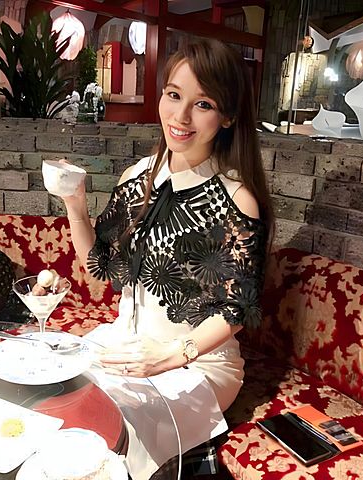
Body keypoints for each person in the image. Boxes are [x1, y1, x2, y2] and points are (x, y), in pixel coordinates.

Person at [60, 38, 274, 476]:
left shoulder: (237, 200)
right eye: (174, 95)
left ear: (228, 116)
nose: (180, 116)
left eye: (203, 104)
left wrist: (170, 355)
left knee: (113, 430)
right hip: (126, 344)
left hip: (198, 365)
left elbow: (235, 310)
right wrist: (74, 205)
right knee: (56, 391)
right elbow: (99, 266)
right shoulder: (137, 177)